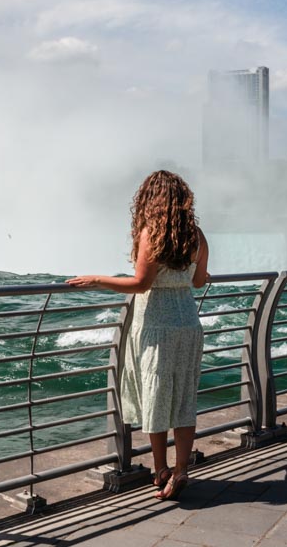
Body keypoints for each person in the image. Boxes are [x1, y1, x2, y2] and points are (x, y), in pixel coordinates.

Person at [67, 170, 209, 501]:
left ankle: (161, 471)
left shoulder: (151, 233)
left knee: (155, 398)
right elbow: (199, 281)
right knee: (184, 398)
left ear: (150, 200)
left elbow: (141, 284)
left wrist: (97, 280)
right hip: (188, 323)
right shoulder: (196, 235)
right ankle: (182, 470)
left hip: (156, 325)